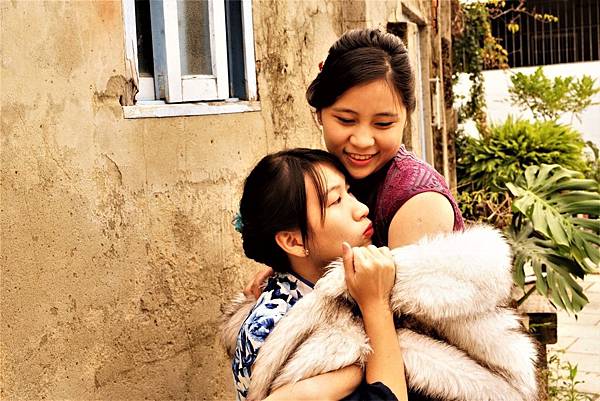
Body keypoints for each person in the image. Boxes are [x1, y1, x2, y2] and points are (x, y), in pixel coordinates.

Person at [245, 28, 465, 297]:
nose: (362, 141)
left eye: (383, 123)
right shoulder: (330, 172)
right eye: (346, 120)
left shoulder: (419, 203)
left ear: (406, 117)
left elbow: (400, 318)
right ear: (319, 113)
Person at [231, 148, 408, 401]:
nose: (361, 209)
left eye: (349, 191)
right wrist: (376, 304)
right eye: (336, 201)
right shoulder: (278, 334)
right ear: (293, 241)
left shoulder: (318, 285)